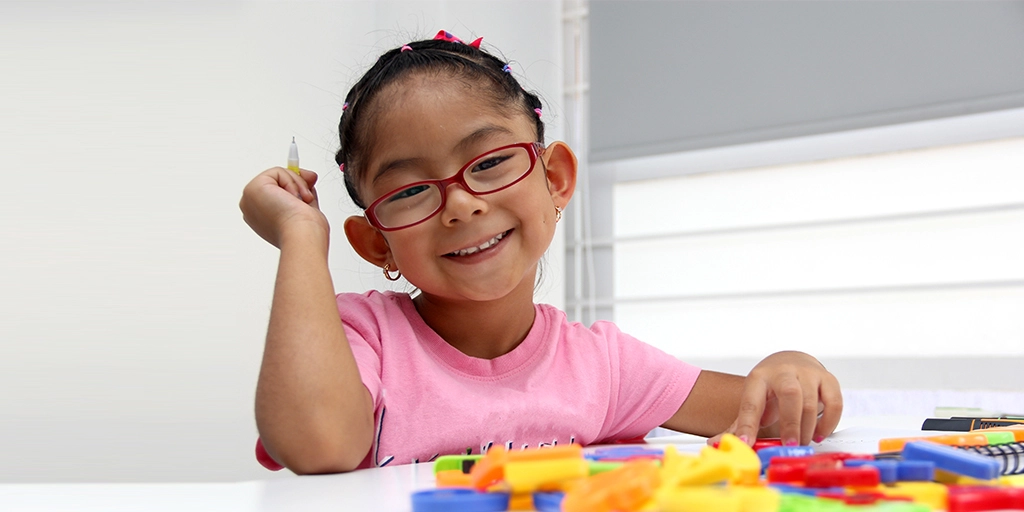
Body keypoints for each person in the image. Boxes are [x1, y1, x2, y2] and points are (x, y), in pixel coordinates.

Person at [238, 30, 843, 474]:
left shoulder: (603, 367)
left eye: (492, 162)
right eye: (413, 190)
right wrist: (300, 239)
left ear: (554, 179)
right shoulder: (362, 338)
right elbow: (316, 445)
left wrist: (792, 367)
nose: (461, 205)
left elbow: (778, 417)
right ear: (376, 243)